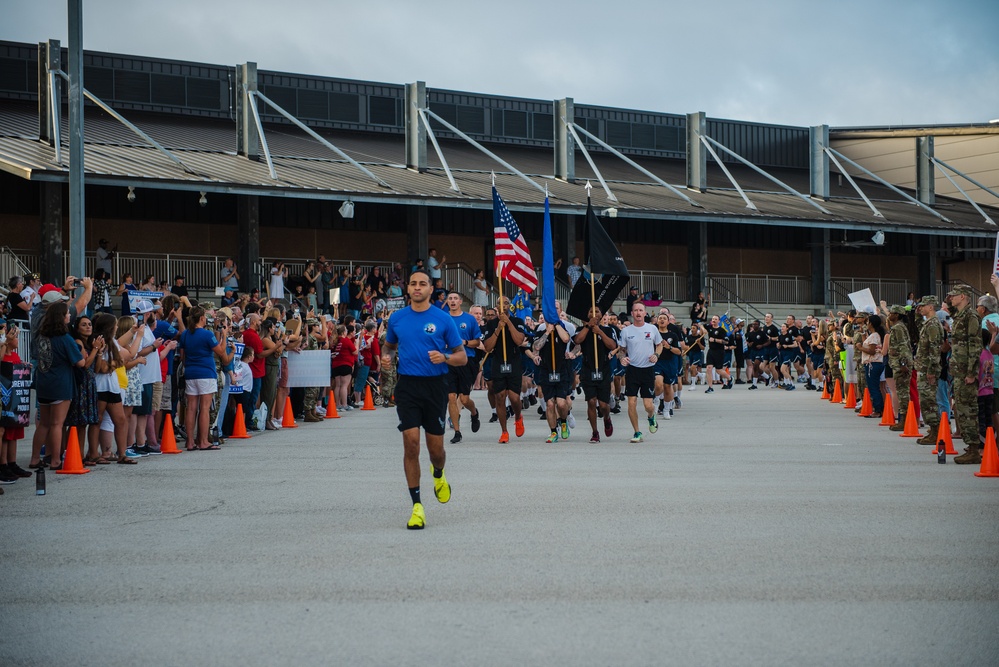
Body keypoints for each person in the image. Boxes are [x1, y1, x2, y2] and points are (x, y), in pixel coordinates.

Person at [381, 270, 465, 530]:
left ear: (431, 289)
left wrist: (446, 358)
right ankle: (417, 506)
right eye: (413, 283)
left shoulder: (442, 319)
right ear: (408, 288)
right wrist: (385, 357)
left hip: (435, 387)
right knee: (411, 444)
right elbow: (389, 346)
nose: (417, 288)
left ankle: (438, 474)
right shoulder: (397, 318)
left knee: (435, 451)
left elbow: (461, 356)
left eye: (422, 284)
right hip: (407, 386)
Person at [31, 301, 86, 470]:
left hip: (44, 383)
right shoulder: (65, 339)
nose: (69, 315)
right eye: (67, 314)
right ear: (60, 318)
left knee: (44, 423)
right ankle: (56, 460)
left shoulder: (42, 337)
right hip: (60, 385)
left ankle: (34, 459)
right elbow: (81, 362)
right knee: (57, 424)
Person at [178, 306, 230, 450]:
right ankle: (203, 441)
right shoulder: (207, 334)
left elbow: (183, 357)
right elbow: (220, 351)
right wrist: (224, 335)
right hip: (206, 372)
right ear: (201, 318)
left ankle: (189, 442)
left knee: (191, 408)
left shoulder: (186, 334)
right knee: (205, 408)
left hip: (190, 373)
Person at [481, 296, 528, 443]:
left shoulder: (517, 322)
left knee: (514, 398)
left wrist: (508, 323)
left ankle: (518, 417)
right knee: (500, 397)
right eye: (500, 303)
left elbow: (519, 341)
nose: (503, 306)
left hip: (514, 361)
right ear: (496, 307)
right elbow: (488, 347)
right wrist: (498, 329)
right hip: (498, 361)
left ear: (510, 306)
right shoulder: (491, 324)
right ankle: (504, 431)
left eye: (506, 303)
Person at [616, 302, 662, 443]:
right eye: (635, 310)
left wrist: (656, 355)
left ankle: (651, 416)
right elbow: (621, 350)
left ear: (645, 313)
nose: (638, 313)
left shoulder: (652, 328)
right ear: (632, 313)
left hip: (647, 370)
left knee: (648, 405)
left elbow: (659, 345)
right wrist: (622, 358)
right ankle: (637, 432)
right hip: (632, 370)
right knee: (631, 403)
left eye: (640, 310)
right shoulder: (626, 331)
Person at [947, 285, 983, 464]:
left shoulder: (971, 316)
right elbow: (950, 307)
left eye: (954, 295)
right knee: (961, 408)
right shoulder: (960, 315)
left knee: (967, 410)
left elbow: (975, 347)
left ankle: (975, 449)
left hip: (966, 371)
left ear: (962, 296)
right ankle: (971, 445)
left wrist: (971, 372)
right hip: (959, 370)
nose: (950, 298)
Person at [533, 302, 576, 443]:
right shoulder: (540, 331)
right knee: (550, 404)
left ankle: (563, 421)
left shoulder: (563, 328)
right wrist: (547, 332)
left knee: (562, 403)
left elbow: (566, 339)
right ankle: (553, 432)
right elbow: (537, 346)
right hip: (546, 370)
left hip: (562, 370)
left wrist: (556, 324)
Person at [573, 306, 618, 442]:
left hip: (603, 369)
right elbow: (577, 341)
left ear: (601, 315)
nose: (594, 313)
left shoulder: (608, 330)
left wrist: (599, 332)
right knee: (591, 402)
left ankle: (606, 418)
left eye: (597, 311)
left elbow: (612, 346)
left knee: (603, 405)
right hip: (588, 369)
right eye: (591, 311)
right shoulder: (581, 330)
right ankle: (595, 432)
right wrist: (588, 327)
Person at [444, 292, 481, 443]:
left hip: (466, 360)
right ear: (447, 302)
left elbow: (477, 342)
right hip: (448, 360)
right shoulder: (443, 318)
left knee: (464, 399)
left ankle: (474, 413)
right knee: (451, 397)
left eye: (455, 299)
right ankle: (457, 432)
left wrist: (464, 342)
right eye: (450, 299)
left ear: (460, 301)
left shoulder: (469, 319)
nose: (452, 301)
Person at [914, 296, 945, 446]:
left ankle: (935, 431)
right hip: (924, 366)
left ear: (931, 307)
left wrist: (931, 369)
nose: (921, 308)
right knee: (926, 399)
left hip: (928, 368)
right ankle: (934, 429)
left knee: (928, 400)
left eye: (923, 306)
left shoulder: (933, 324)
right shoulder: (928, 323)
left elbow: (934, 349)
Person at [885, 306, 913, 430]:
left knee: (902, 393)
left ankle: (904, 420)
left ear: (897, 315)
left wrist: (903, 364)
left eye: (892, 313)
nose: (889, 314)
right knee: (902, 392)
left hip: (901, 365)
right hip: (898, 364)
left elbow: (903, 347)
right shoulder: (899, 327)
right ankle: (904, 419)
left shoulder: (898, 328)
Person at [856, 314, 886, 419]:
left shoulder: (874, 336)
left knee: (873, 387)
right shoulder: (874, 335)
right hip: (873, 363)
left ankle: (878, 409)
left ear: (871, 323)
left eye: (868, 322)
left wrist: (860, 348)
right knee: (874, 387)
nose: (866, 324)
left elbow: (872, 351)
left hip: (873, 363)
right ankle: (879, 408)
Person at [704, 314, 732, 393]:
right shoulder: (709, 328)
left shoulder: (721, 330)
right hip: (711, 350)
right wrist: (704, 330)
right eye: (713, 319)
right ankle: (710, 387)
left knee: (718, 370)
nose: (714, 320)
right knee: (708, 368)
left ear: (719, 321)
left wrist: (715, 340)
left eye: (716, 319)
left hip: (719, 351)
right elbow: (700, 325)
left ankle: (729, 378)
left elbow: (726, 341)